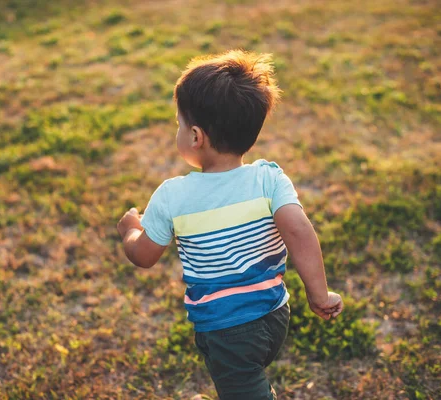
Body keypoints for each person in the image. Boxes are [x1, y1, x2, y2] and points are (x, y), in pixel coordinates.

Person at [116, 50, 344, 400]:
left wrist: (130, 230)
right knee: (246, 380)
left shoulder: (174, 195)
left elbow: (144, 256)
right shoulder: (270, 178)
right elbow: (299, 231)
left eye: (177, 124)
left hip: (226, 332)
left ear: (195, 136)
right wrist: (318, 294)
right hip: (275, 314)